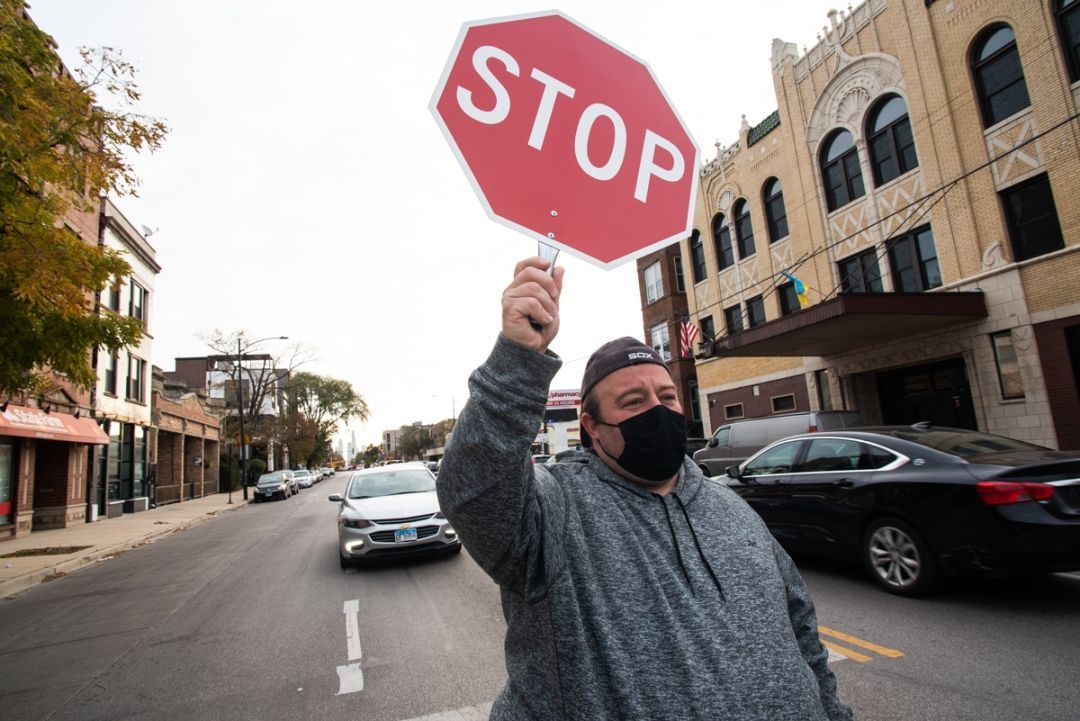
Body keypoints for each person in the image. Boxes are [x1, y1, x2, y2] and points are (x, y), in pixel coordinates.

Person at [437, 257, 853, 721]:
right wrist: (518, 359)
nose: (658, 410)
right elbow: (473, 491)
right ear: (592, 428)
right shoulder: (553, 514)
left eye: (667, 396)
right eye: (633, 402)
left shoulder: (732, 509)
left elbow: (801, 631)